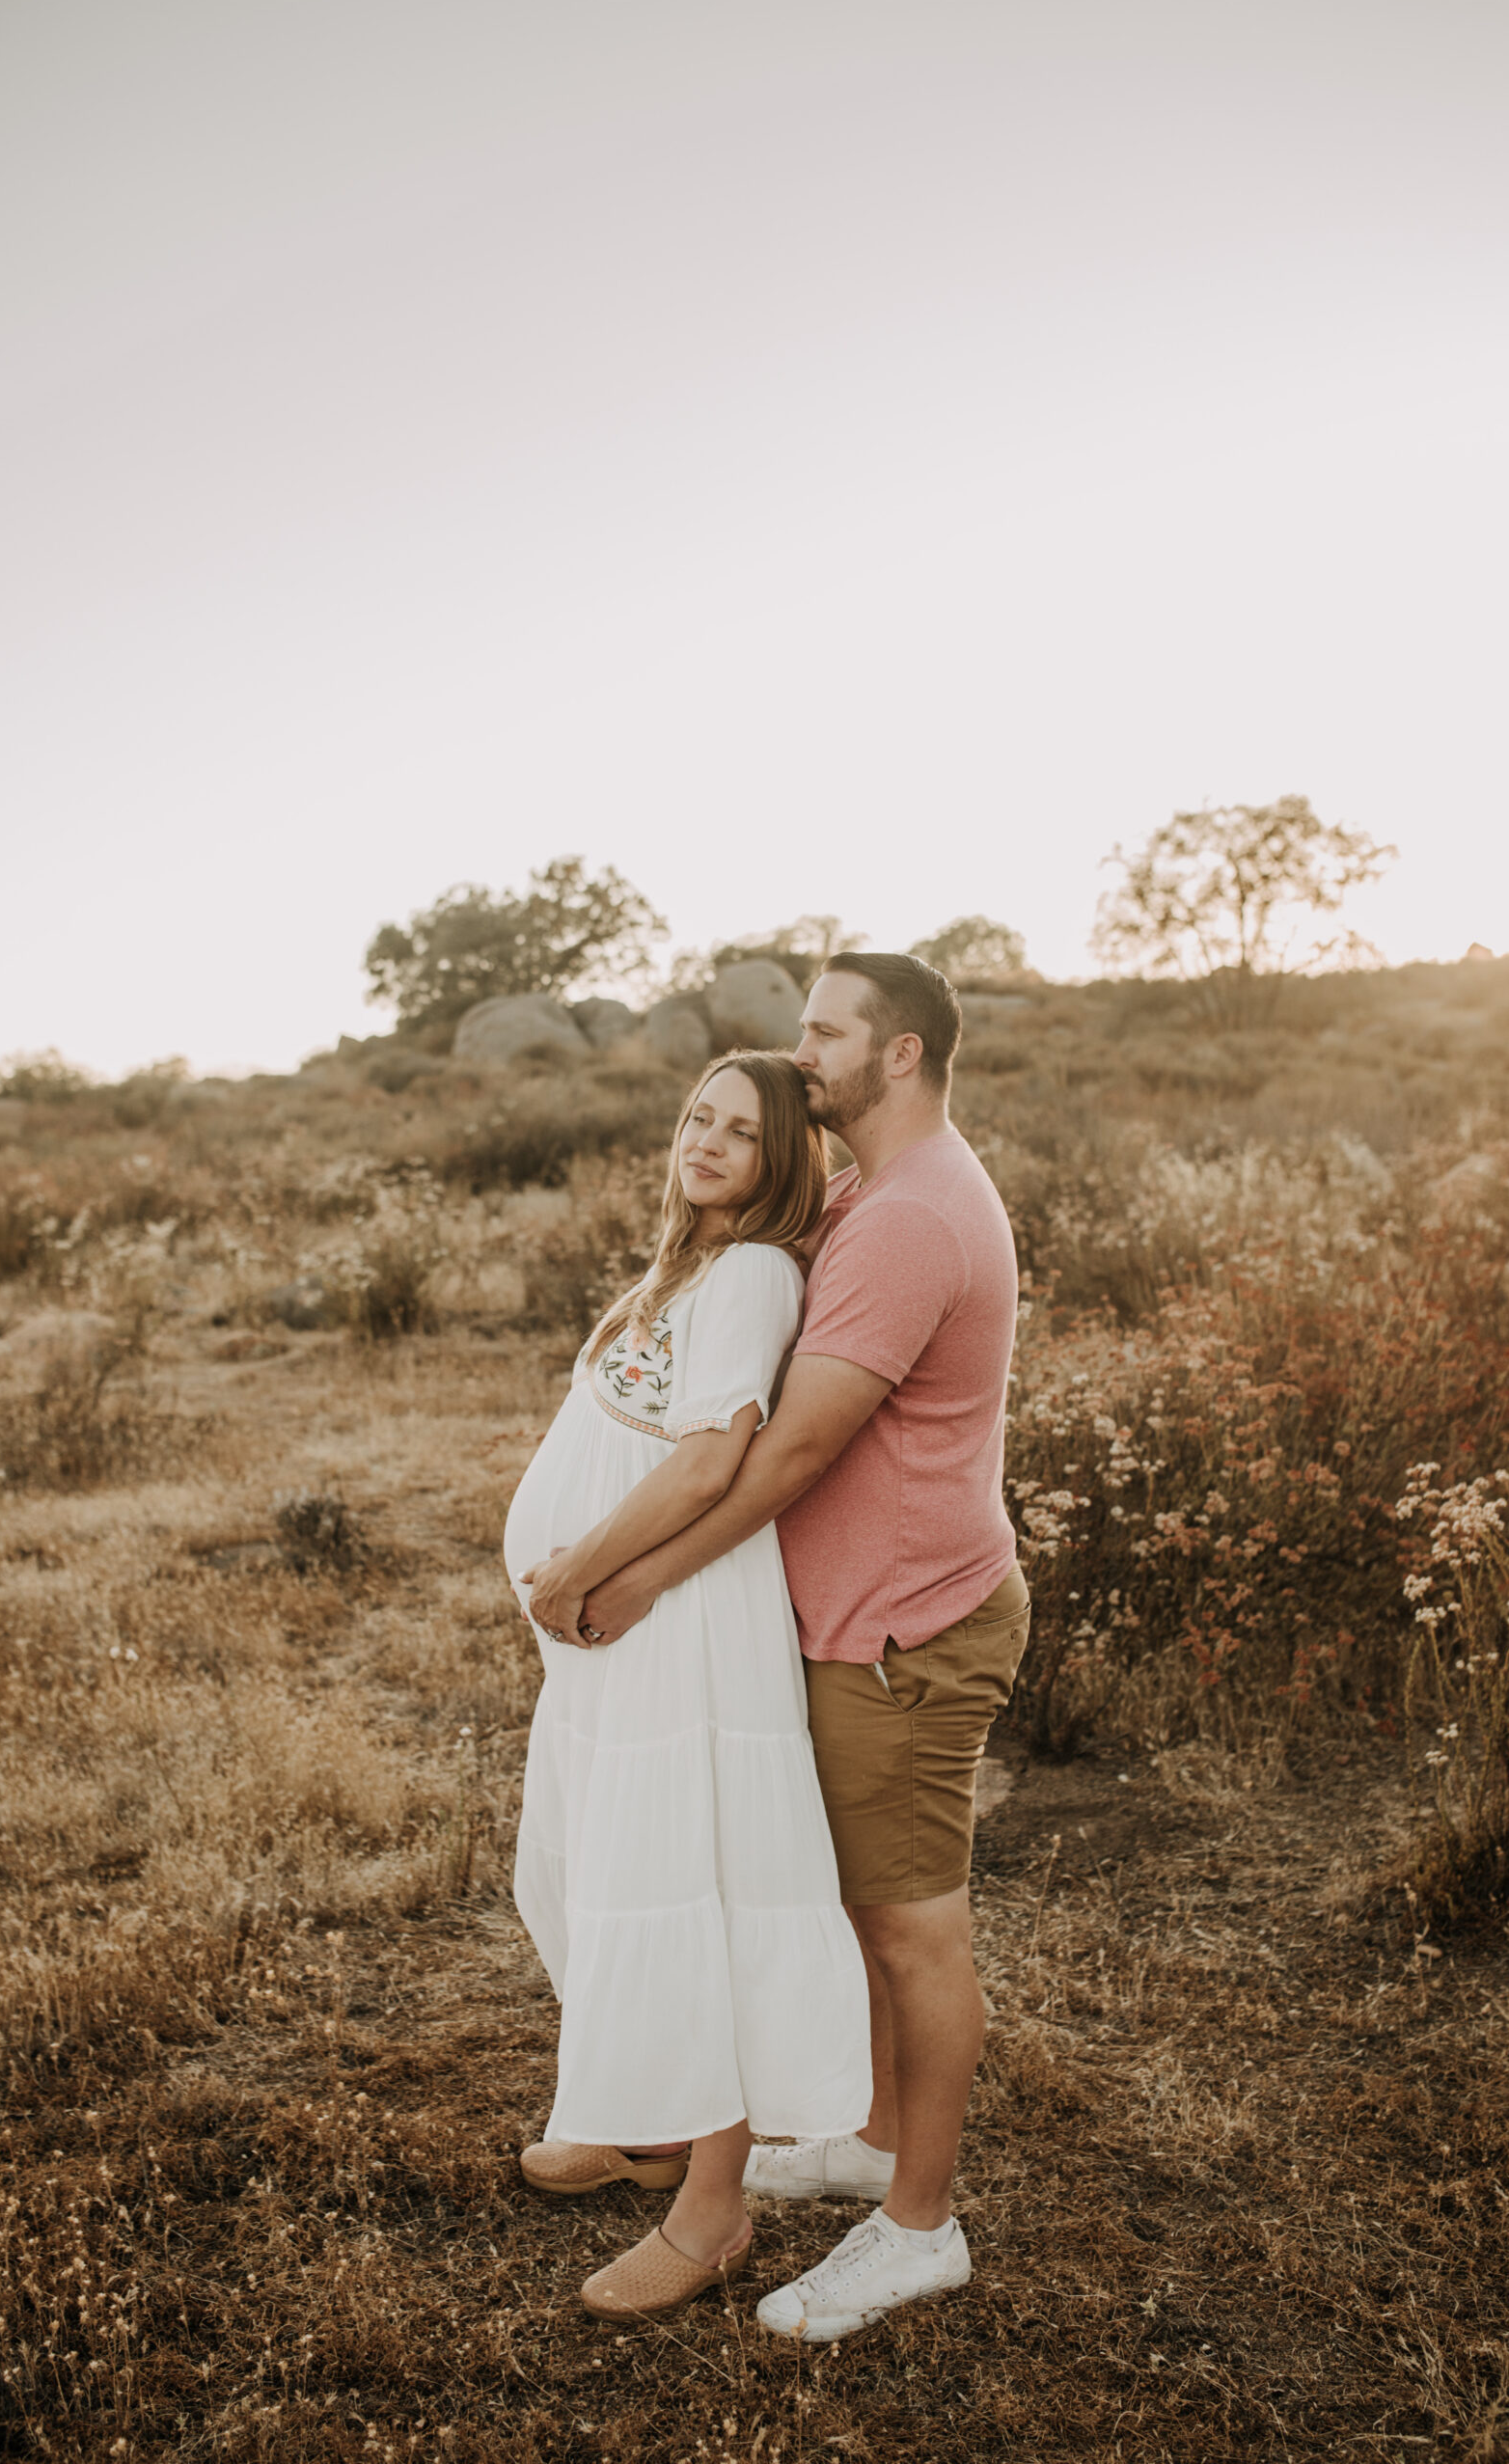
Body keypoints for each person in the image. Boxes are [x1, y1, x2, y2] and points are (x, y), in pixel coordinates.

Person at [580, 952, 1029, 2343]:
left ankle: (919, 2227)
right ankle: (875, 2132)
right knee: (850, 1905)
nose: (802, 1052)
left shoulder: (907, 1221)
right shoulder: (878, 1191)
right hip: (871, 1613)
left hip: (904, 1630)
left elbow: (802, 1447)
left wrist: (641, 1573)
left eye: (826, 1032)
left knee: (910, 1926)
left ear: (899, 1055)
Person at [505, 1049, 872, 2321]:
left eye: (743, 1133)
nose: (707, 1143)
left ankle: (711, 2209)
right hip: (621, 1637)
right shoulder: (694, 1259)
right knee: (600, 1868)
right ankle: (643, 2114)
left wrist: (585, 1569)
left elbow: (716, 1457)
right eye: (695, 1119)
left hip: (683, 1626)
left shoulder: (758, 1272)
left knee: (690, 1891)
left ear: (784, 1163)